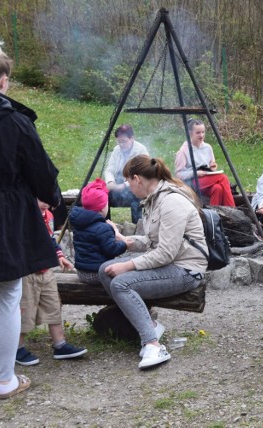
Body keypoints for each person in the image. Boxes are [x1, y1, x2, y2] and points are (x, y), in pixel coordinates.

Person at [98, 155, 208, 370]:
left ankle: (153, 345)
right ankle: (151, 326)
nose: (128, 187)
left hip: (186, 269)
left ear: (137, 178)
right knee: (105, 270)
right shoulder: (154, 200)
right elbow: (152, 242)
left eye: (129, 182)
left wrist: (127, 265)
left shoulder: (171, 202)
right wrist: (126, 241)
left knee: (121, 282)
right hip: (171, 263)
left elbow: (165, 253)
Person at [0, 42, 59, 398]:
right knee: (6, 295)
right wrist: (51, 198)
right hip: (5, 219)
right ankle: (4, 379)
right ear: (3, 81)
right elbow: (42, 173)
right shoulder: (14, 123)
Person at [16, 199, 88, 366]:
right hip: (27, 271)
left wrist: (60, 256)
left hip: (45, 269)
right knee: (25, 310)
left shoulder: (48, 215)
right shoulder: (23, 216)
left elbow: (50, 239)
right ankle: (17, 348)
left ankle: (60, 344)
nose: (46, 203)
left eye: (48, 199)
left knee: (53, 305)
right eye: (41, 199)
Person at [69, 178, 130, 285]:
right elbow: (111, 250)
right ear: (102, 208)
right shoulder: (103, 228)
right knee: (128, 267)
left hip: (81, 272)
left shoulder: (79, 223)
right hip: (97, 273)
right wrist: (124, 244)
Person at [174, 119, 235, 207]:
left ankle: (215, 215)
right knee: (223, 178)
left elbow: (212, 163)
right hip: (192, 182)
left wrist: (213, 167)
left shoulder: (208, 147)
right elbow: (179, 174)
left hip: (206, 178)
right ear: (190, 133)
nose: (201, 135)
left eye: (203, 132)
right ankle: (232, 208)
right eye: (198, 133)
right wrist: (195, 173)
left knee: (217, 188)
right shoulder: (184, 151)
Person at [104, 124, 149, 223]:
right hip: (118, 183)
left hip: (136, 184)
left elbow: (142, 174)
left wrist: (125, 185)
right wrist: (111, 182)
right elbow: (109, 170)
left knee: (136, 196)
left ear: (132, 138)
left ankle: (137, 225)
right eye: (118, 141)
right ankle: (107, 225)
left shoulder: (141, 150)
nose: (121, 145)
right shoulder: (116, 150)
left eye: (124, 141)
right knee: (103, 195)